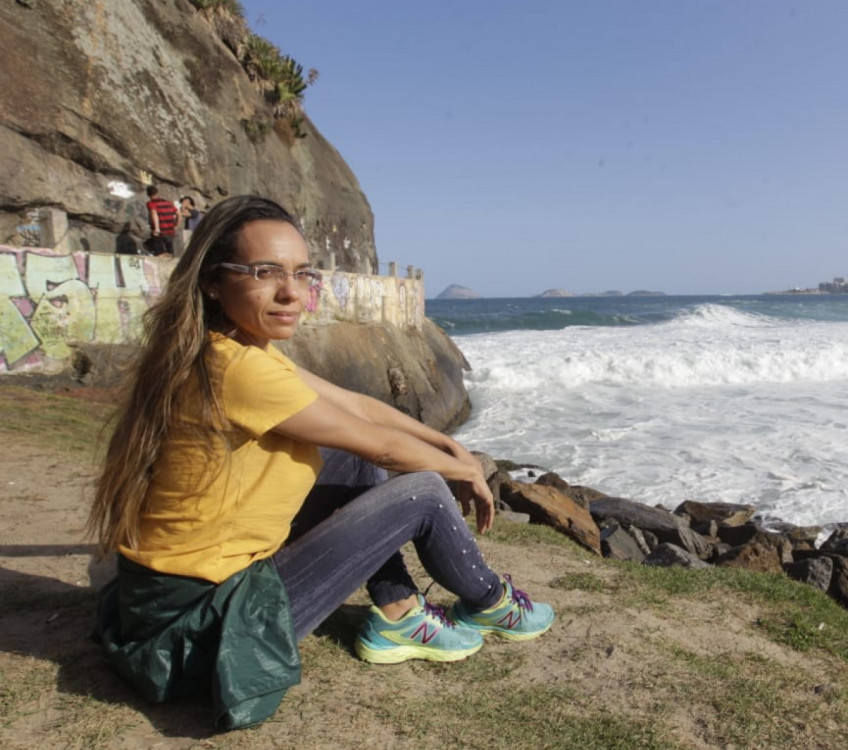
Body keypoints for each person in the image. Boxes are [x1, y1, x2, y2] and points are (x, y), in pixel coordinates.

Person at [88, 195, 554, 730]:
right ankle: (493, 603)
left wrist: (451, 446)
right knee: (422, 490)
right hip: (202, 630)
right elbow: (379, 446)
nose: (291, 291)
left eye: (302, 273)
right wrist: (462, 471)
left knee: (347, 461)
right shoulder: (236, 369)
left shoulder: (236, 350)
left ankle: (398, 613)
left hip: (169, 604)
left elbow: (356, 406)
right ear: (214, 281)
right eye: (265, 272)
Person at [144, 185, 179, 257]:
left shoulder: (151, 203)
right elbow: (178, 214)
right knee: (171, 253)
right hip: (170, 231)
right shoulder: (169, 203)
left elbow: (154, 213)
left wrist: (157, 228)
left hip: (160, 232)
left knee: (160, 253)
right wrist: (176, 225)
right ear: (157, 193)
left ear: (148, 195)